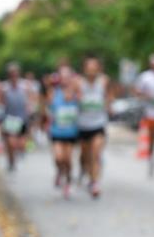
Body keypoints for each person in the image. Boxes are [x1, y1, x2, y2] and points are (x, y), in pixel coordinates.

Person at [77, 54, 111, 198]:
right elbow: (69, 97)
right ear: (84, 69)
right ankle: (84, 170)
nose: (91, 70)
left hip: (98, 124)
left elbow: (109, 97)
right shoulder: (77, 82)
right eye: (89, 68)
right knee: (85, 156)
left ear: (98, 69)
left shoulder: (104, 81)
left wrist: (108, 104)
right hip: (83, 125)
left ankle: (94, 182)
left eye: (94, 67)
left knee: (95, 154)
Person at [47, 65, 80, 199]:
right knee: (59, 157)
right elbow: (48, 108)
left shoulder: (77, 93)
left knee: (68, 159)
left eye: (68, 76)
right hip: (57, 131)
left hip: (71, 132)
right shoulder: (53, 92)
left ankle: (68, 181)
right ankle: (60, 172)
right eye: (63, 76)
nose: (65, 79)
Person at [1, 63, 33, 172]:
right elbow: (1, 103)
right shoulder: (4, 88)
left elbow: (30, 100)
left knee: (21, 144)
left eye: (15, 73)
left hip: (22, 119)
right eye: (11, 74)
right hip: (10, 119)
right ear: (8, 75)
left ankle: (18, 154)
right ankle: (11, 162)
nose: (14, 75)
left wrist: (30, 110)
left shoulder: (25, 86)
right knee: (11, 143)